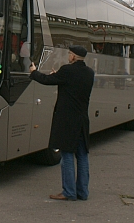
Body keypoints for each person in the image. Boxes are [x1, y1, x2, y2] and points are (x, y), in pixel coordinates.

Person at [29, 45, 94, 201]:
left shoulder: (67, 70)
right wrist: (59, 77)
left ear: (73, 56)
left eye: (69, 54)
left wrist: (34, 72)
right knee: (82, 156)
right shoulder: (89, 73)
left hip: (67, 120)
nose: (68, 56)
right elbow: (71, 85)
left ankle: (69, 192)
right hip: (82, 120)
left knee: (67, 155)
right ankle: (83, 192)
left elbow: (46, 80)